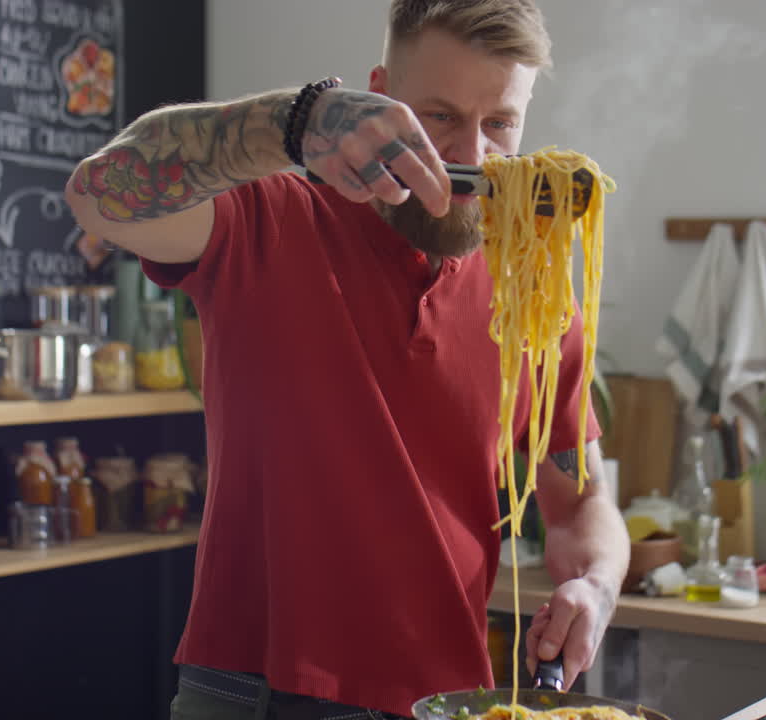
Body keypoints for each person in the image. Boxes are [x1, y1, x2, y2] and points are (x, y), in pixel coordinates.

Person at [66, 1, 629, 717]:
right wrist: (297, 120)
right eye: (441, 116)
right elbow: (99, 196)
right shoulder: (269, 219)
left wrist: (595, 584)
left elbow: (581, 502)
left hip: (444, 697)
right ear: (380, 96)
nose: (471, 155)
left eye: (499, 123)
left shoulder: (532, 292)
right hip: (256, 692)